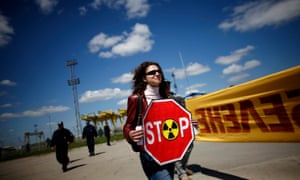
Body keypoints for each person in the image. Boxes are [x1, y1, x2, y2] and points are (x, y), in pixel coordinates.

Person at [123, 61, 179, 180]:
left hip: (169, 153)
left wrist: (189, 123)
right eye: (152, 72)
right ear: (144, 78)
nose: (157, 74)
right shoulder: (135, 99)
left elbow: (174, 122)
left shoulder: (167, 98)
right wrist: (130, 135)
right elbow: (128, 125)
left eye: (159, 71)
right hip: (150, 155)